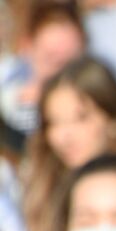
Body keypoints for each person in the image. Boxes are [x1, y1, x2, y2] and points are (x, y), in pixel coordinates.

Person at [22, 55, 116, 231]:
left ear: (113, 118)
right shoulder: (42, 186)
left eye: (81, 118)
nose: (64, 136)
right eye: (54, 122)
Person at [0, 1, 85, 145]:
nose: (62, 73)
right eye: (51, 59)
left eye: (71, 63)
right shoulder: (10, 109)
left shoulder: (98, 111)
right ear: (26, 47)